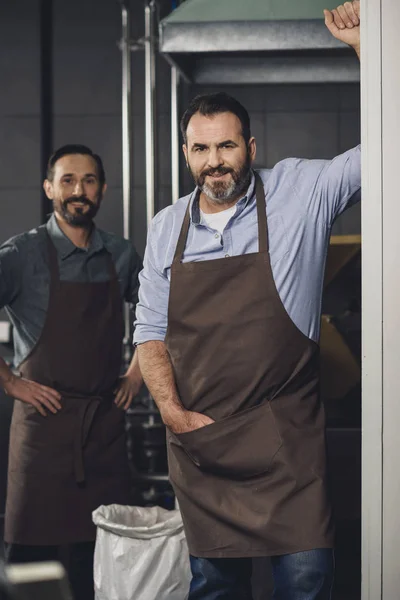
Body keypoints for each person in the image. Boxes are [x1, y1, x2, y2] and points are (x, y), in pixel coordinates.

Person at [134, 3, 361, 598]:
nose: (216, 162)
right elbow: (150, 331)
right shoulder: (165, 228)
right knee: (214, 586)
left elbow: (387, 153)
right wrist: (173, 415)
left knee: (307, 581)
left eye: (227, 146)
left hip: (288, 441)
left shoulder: (302, 191)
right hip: (202, 442)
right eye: (202, 150)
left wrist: (367, 50)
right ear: (187, 154)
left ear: (250, 145)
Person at [0, 145, 143, 600]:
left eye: (89, 181)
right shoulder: (22, 254)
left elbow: (161, 312)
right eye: (67, 180)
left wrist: (138, 370)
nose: (78, 191)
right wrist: (10, 381)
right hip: (41, 435)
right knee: (27, 563)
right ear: (49, 189)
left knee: (101, 561)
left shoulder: (121, 254)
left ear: (101, 189)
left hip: (102, 430)